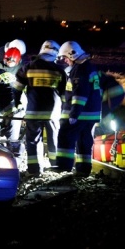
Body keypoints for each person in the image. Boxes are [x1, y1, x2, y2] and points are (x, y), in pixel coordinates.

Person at [12, 40, 67, 175]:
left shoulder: (28, 68)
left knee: (33, 140)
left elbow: (16, 89)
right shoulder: (59, 71)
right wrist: (66, 110)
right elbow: (65, 94)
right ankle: (55, 166)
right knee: (54, 139)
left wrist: (17, 103)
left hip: (33, 111)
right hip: (52, 112)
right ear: (55, 53)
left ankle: (34, 170)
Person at [54, 41, 102, 177]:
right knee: (84, 140)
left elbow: (80, 94)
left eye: (65, 58)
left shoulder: (79, 69)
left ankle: (63, 166)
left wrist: (74, 113)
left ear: (72, 55)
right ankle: (83, 169)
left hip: (81, 114)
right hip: (91, 114)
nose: (65, 61)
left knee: (65, 136)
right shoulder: (89, 67)